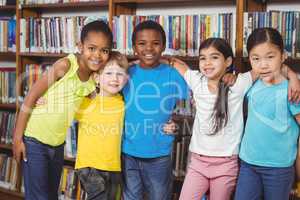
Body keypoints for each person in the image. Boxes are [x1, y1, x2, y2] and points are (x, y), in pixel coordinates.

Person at [168, 36, 300, 200]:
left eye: (214, 57)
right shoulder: (197, 80)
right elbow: (175, 63)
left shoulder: (240, 83)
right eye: (203, 58)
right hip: (198, 162)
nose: (207, 63)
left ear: (228, 61)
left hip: (226, 163)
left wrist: (293, 76)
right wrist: (135, 63)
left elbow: (268, 66)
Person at [12, 20, 113, 200]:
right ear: (80, 46)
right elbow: (31, 97)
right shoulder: (65, 66)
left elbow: (96, 106)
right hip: (35, 141)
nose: (97, 55)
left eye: (104, 50)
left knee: (51, 195)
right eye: (92, 48)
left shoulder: (92, 80)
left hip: (57, 146)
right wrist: (17, 139)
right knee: (38, 197)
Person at [121, 20, 188, 200]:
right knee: (130, 196)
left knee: (159, 196)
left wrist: (177, 124)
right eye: (142, 44)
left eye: (156, 43)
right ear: (134, 47)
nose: (149, 49)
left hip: (159, 153)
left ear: (164, 46)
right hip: (128, 152)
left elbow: (193, 106)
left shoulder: (173, 74)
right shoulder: (126, 73)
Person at [234, 27, 300, 200]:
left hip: (279, 167)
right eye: (256, 59)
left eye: (270, 57)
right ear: (249, 60)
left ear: (283, 56)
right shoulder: (252, 83)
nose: (263, 64)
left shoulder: (291, 90)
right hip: (249, 163)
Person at [74, 51, 129, 200]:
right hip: (89, 167)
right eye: (109, 73)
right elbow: (62, 107)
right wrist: (44, 101)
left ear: (126, 79)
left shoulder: (123, 103)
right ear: (97, 78)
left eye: (120, 74)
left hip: (113, 166)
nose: (114, 79)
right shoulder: (85, 103)